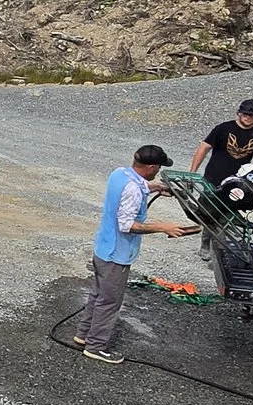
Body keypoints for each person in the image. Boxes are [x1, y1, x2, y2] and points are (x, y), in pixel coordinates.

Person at [74, 144, 194, 365]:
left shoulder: (120, 173)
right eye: (158, 168)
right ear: (151, 167)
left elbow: (135, 186)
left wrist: (157, 187)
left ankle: (83, 335)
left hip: (103, 247)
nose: (158, 171)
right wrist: (163, 227)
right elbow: (127, 225)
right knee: (109, 302)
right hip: (116, 254)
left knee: (98, 295)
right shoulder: (133, 189)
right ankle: (96, 346)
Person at [190, 99, 253, 193]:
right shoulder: (223, 128)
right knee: (207, 201)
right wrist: (192, 173)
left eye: (252, 115)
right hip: (213, 177)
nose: (248, 117)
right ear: (239, 113)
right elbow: (203, 148)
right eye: (245, 114)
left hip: (239, 182)